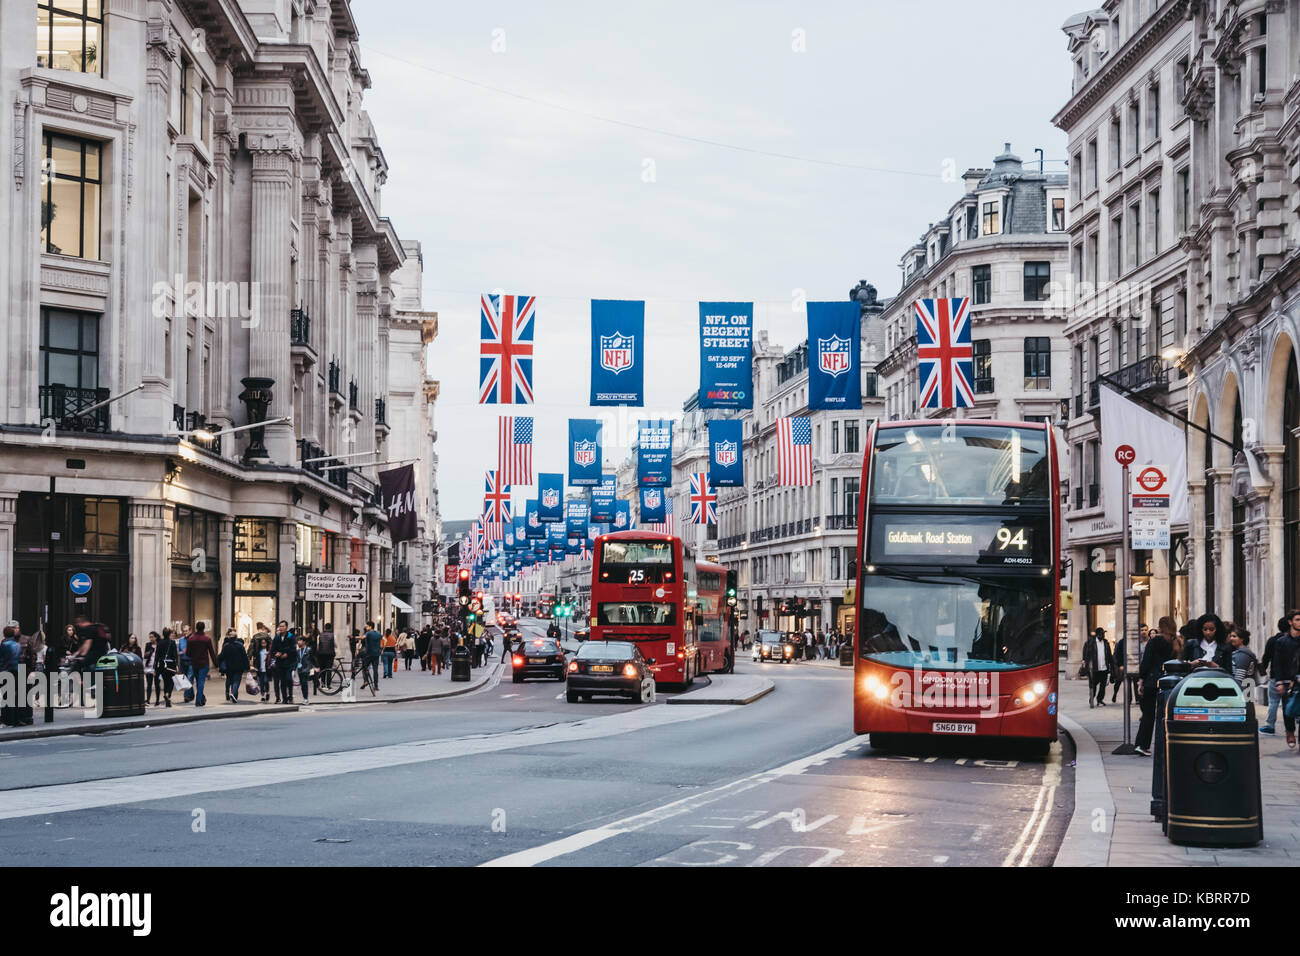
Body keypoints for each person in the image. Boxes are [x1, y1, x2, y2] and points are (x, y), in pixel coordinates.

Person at [1134, 616, 1177, 755]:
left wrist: (1141, 679)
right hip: (1169, 682)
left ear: (1160, 627)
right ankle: (1165, 745)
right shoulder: (1174, 642)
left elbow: (1146, 662)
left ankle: (1142, 744)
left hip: (1152, 682)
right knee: (1166, 715)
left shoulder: (1154, 642)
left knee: (1147, 715)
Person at [1261, 609, 1300, 748]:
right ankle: (1290, 731)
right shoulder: (1281, 641)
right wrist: (1279, 682)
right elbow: (1277, 662)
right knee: (1288, 709)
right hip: (1286, 680)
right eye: (1297, 620)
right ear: (1290, 622)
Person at [1258, 615, 1294, 736]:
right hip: (1292, 676)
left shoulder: (1273, 640)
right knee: (1289, 702)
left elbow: (1266, 657)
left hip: (1276, 676)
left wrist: (1262, 671)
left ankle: (1270, 725)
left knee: (1273, 701)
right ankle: (1290, 727)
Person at [186, 622, 217, 707]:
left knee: (198, 682)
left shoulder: (191, 639)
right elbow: (212, 653)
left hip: (194, 663)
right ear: (204, 628)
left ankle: (201, 698)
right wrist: (216, 664)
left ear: (196, 628)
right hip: (204, 663)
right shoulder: (207, 639)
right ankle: (198, 700)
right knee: (201, 682)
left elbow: (188, 653)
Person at [1082, 628, 1112, 708]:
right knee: (1093, 685)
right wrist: (1085, 661)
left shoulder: (1106, 643)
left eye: (1104, 634)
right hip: (1094, 669)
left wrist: (1111, 664)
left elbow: (1109, 655)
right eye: (1102, 634)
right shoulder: (1090, 643)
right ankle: (1092, 698)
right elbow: (1085, 654)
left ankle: (1100, 700)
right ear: (1097, 634)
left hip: (1104, 668)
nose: (1103, 635)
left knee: (1103, 686)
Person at [219, 629, 249, 704]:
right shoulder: (240, 646)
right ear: (236, 637)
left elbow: (221, 656)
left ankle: (231, 694)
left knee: (230, 679)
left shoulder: (226, 646)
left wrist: (218, 663)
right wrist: (247, 666)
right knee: (236, 681)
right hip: (239, 667)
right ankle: (233, 693)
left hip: (229, 667)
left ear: (229, 637)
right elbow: (244, 656)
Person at [271, 621, 297, 704]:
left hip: (289, 662)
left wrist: (287, 654)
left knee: (288, 679)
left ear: (286, 627)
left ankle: (290, 695)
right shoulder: (277, 637)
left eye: (283, 626)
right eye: (280, 626)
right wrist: (276, 653)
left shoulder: (291, 637)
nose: (281, 628)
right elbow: (273, 649)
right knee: (282, 681)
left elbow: (293, 649)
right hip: (280, 662)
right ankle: (284, 698)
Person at [155, 627, 179, 707]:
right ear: (169, 634)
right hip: (171, 664)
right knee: (171, 681)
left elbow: (156, 656)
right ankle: (168, 694)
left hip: (162, 664)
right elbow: (175, 655)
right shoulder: (172, 642)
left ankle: (166, 694)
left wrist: (155, 667)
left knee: (165, 681)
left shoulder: (159, 643)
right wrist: (177, 665)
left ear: (163, 634)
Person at [315, 623, 336, 695]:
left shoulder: (319, 635)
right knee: (329, 669)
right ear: (330, 628)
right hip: (330, 654)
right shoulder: (333, 635)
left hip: (321, 654)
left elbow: (317, 645)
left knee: (323, 669)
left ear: (324, 627)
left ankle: (323, 684)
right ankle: (328, 685)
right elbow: (336, 645)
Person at [296, 636, 316, 703]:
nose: (298, 642)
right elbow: (296, 660)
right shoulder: (298, 651)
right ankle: (304, 697)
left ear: (304, 642)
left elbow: (313, 658)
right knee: (302, 684)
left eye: (300, 640)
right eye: (298, 641)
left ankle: (306, 698)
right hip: (300, 669)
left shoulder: (309, 650)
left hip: (307, 669)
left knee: (304, 683)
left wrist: (316, 666)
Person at [362, 621, 382, 688]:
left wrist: (353, 637)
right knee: (375, 670)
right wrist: (381, 649)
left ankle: (366, 681)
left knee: (364, 667)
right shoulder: (378, 633)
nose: (366, 627)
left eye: (367, 626)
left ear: (370, 626)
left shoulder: (368, 633)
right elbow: (384, 640)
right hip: (376, 654)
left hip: (369, 654)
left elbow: (362, 637)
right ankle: (376, 686)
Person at [254, 636, 272, 702]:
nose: (263, 644)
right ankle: (263, 695)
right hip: (260, 669)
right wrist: (256, 667)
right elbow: (256, 660)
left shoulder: (269, 650)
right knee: (261, 683)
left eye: (264, 643)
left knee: (266, 681)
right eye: (262, 643)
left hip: (267, 669)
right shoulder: (259, 651)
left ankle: (267, 692)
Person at [143, 632, 159, 704]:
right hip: (149, 666)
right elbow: (145, 656)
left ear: (156, 637)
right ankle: (148, 699)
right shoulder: (148, 645)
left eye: (152, 637)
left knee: (156, 684)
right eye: (150, 637)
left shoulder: (159, 644)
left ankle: (157, 700)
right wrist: (147, 654)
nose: (151, 638)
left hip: (157, 667)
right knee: (149, 684)